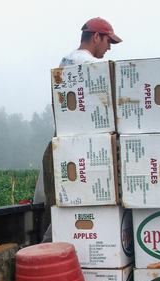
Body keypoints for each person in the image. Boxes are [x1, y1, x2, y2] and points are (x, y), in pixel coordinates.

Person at [38, 17, 122, 242]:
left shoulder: (66, 60)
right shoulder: (88, 64)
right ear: (96, 37)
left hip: (65, 146)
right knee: (75, 211)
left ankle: (48, 250)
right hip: (85, 150)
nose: (109, 47)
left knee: (64, 208)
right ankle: (48, 253)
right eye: (108, 41)